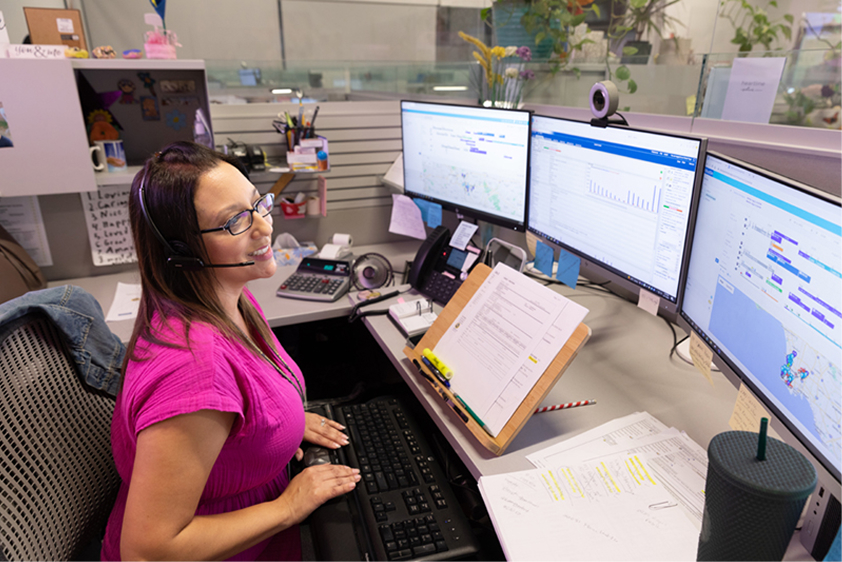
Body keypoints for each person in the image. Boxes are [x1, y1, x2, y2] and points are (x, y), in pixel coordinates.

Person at [101, 141, 360, 561]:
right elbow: (147, 551)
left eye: (259, 204)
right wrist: (288, 507)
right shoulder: (195, 367)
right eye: (234, 222)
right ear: (181, 250)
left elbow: (243, 401)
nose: (263, 227)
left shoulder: (226, 297)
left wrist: (280, 425)